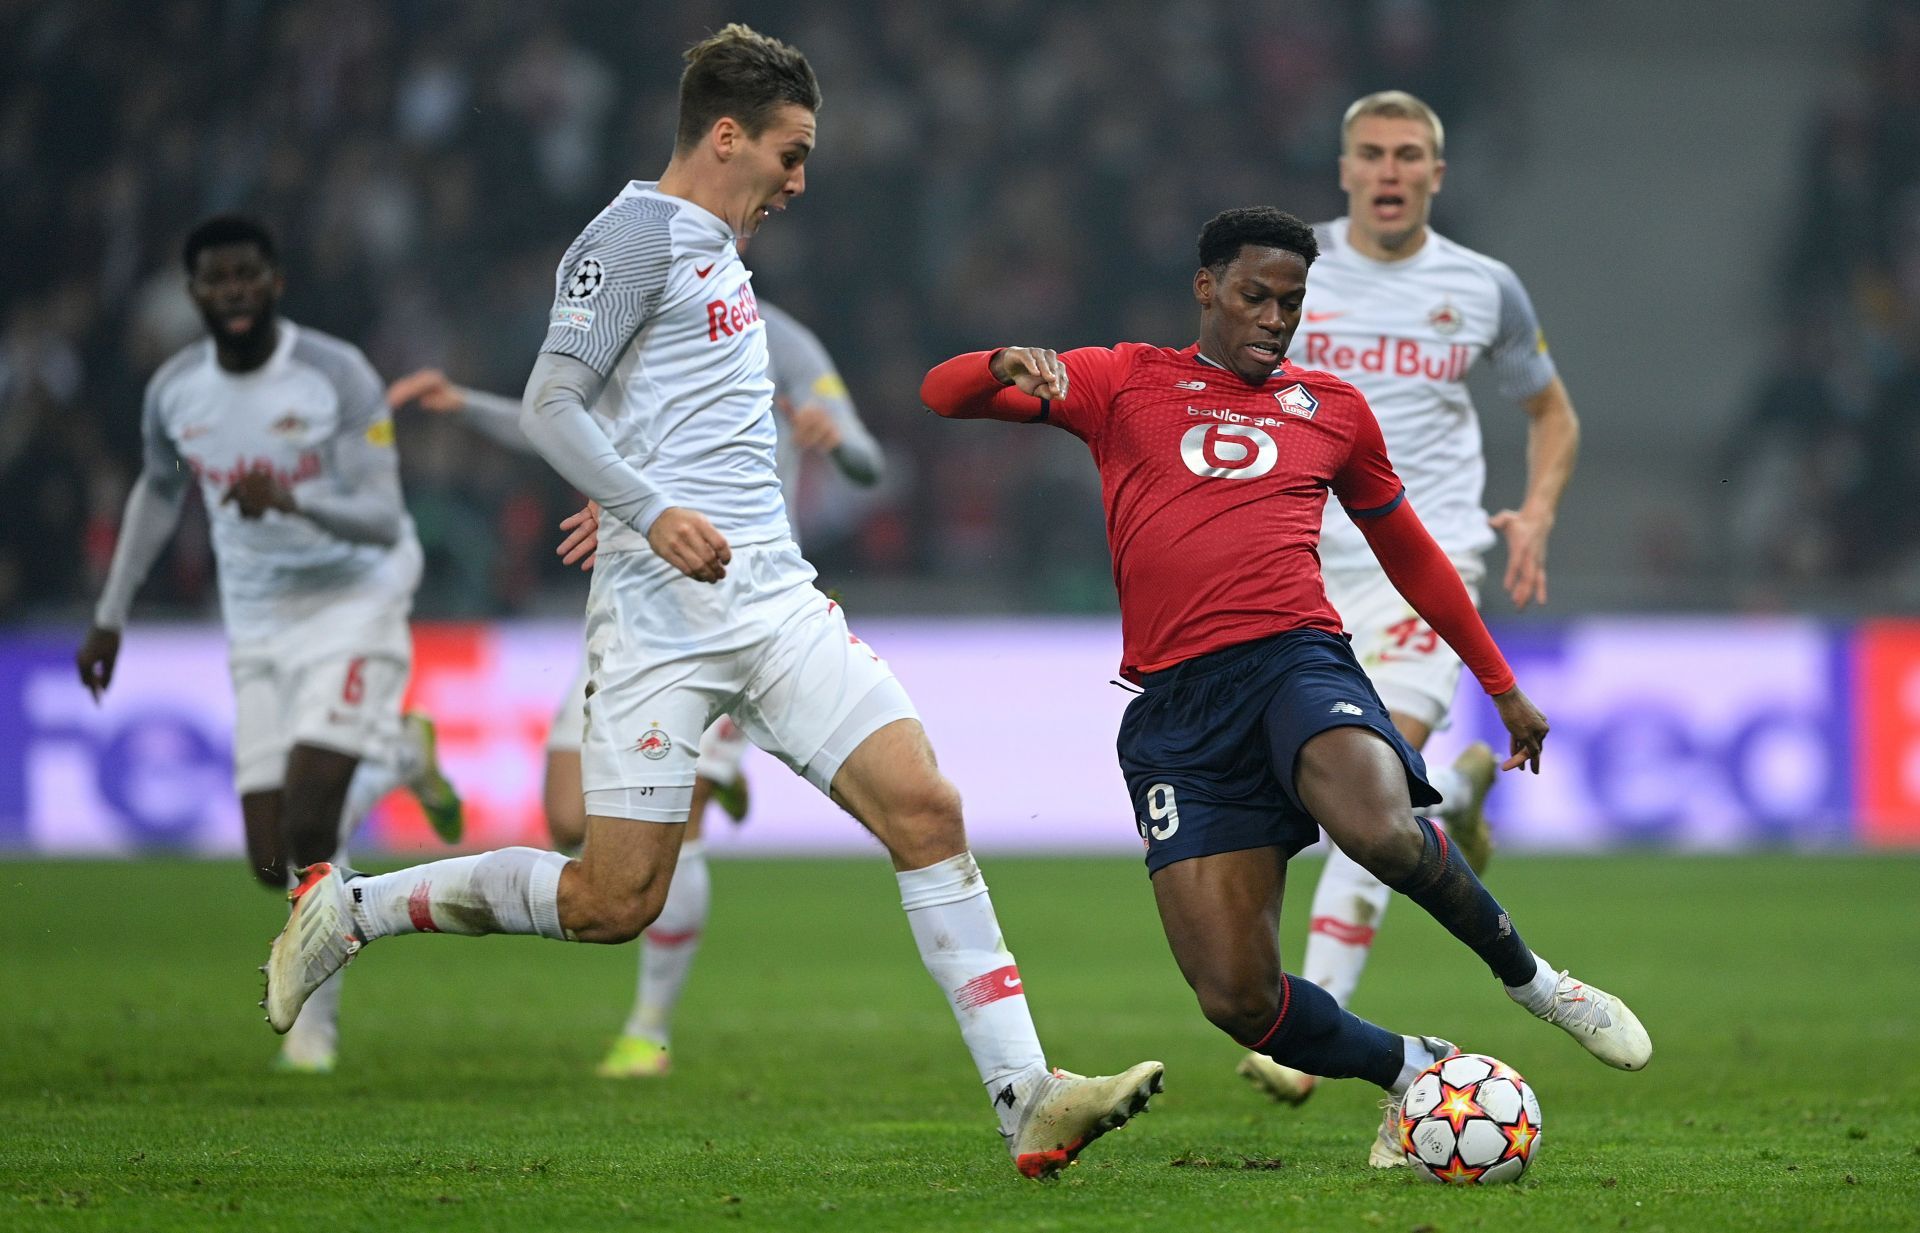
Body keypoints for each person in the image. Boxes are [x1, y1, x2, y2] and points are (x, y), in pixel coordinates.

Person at [263, 24, 1160, 1179]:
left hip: (774, 600)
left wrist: (643, 487)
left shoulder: (720, 250)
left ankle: (1025, 1095)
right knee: (608, 900)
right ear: (725, 135)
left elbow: (658, 414)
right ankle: (356, 911)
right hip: (659, 623)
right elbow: (550, 404)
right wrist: (646, 509)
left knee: (927, 808)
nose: (799, 180)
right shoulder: (629, 237)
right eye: (790, 154)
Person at [919, 205, 1648, 1168]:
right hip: (1176, 712)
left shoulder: (1332, 411)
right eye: (1257, 296)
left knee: (1380, 828)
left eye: (1292, 302)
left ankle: (1537, 983)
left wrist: (1500, 684)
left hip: (1295, 660)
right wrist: (1004, 360)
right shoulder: (1123, 380)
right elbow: (942, 394)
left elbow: (1414, 557)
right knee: (1236, 998)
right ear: (1207, 288)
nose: (1275, 317)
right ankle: (1412, 1068)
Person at [385, 291, 885, 1078]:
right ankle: (713, 781)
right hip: (630, 599)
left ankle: (648, 1028)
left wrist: (836, 438)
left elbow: (866, 457)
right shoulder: (640, 326)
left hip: (735, 611)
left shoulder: (784, 343)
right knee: (564, 819)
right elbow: (559, 424)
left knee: (670, 832)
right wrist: (465, 405)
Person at [1236, 90, 1586, 1107]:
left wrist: (1538, 510)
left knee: (1371, 790)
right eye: (1372, 154)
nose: (1389, 171)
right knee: (1334, 789)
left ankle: (1307, 1028)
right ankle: (1467, 795)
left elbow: (1551, 413)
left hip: (1420, 570)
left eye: (1409, 156)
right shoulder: (1291, 280)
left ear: (1437, 173)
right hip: (1297, 567)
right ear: (1344, 169)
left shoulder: (1483, 289)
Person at [76, 214, 464, 1075]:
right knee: (272, 857)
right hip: (256, 619)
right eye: (218, 280)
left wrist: (294, 503)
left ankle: (317, 1028)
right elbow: (152, 492)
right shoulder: (175, 390)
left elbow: (382, 515)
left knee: (314, 820)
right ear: (195, 296)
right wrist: (110, 611)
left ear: (276, 281)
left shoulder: (336, 375)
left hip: (357, 595)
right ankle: (399, 756)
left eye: (250, 274)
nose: (236, 291)